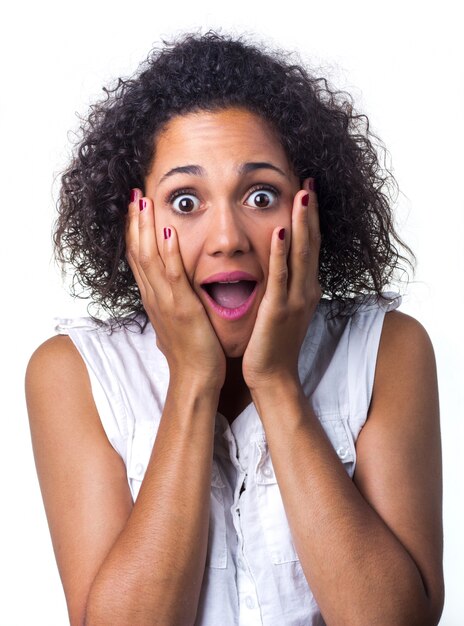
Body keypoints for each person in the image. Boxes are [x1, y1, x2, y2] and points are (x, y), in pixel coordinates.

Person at [25, 30, 444, 626]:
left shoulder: (388, 351)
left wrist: (275, 381)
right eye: (186, 202)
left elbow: (393, 620)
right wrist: (193, 378)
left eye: (260, 195)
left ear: (309, 208)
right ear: (136, 222)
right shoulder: (73, 373)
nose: (226, 238)